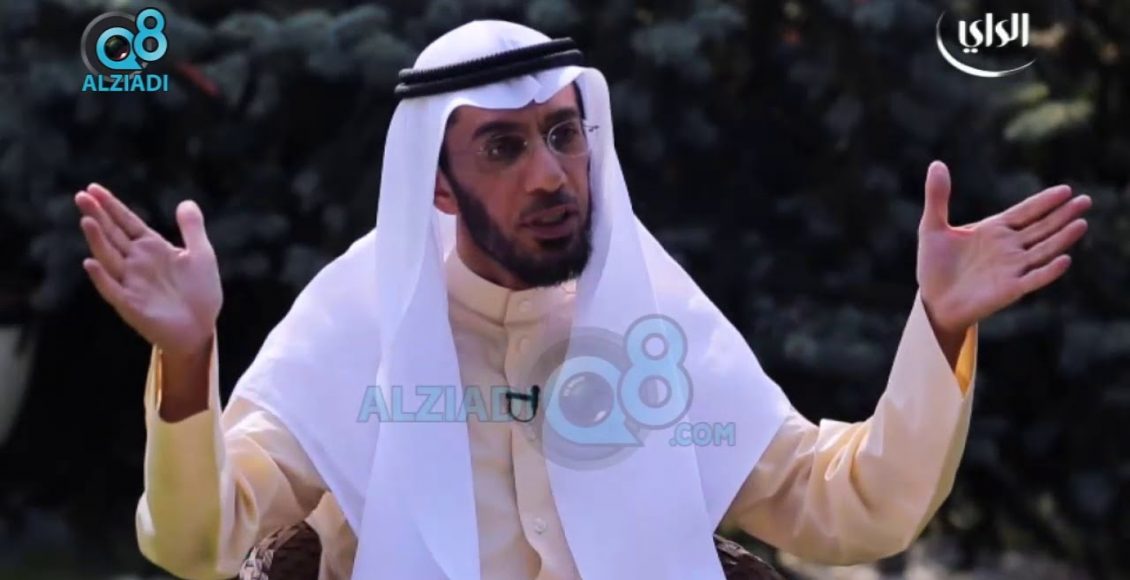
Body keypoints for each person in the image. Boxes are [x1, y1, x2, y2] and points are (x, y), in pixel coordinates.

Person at [74, 20, 1092, 580]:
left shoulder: (649, 314)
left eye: (564, 136)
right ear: (438, 184)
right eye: (504, 148)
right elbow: (197, 544)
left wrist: (939, 326)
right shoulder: (357, 321)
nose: (552, 175)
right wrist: (188, 362)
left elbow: (853, 508)